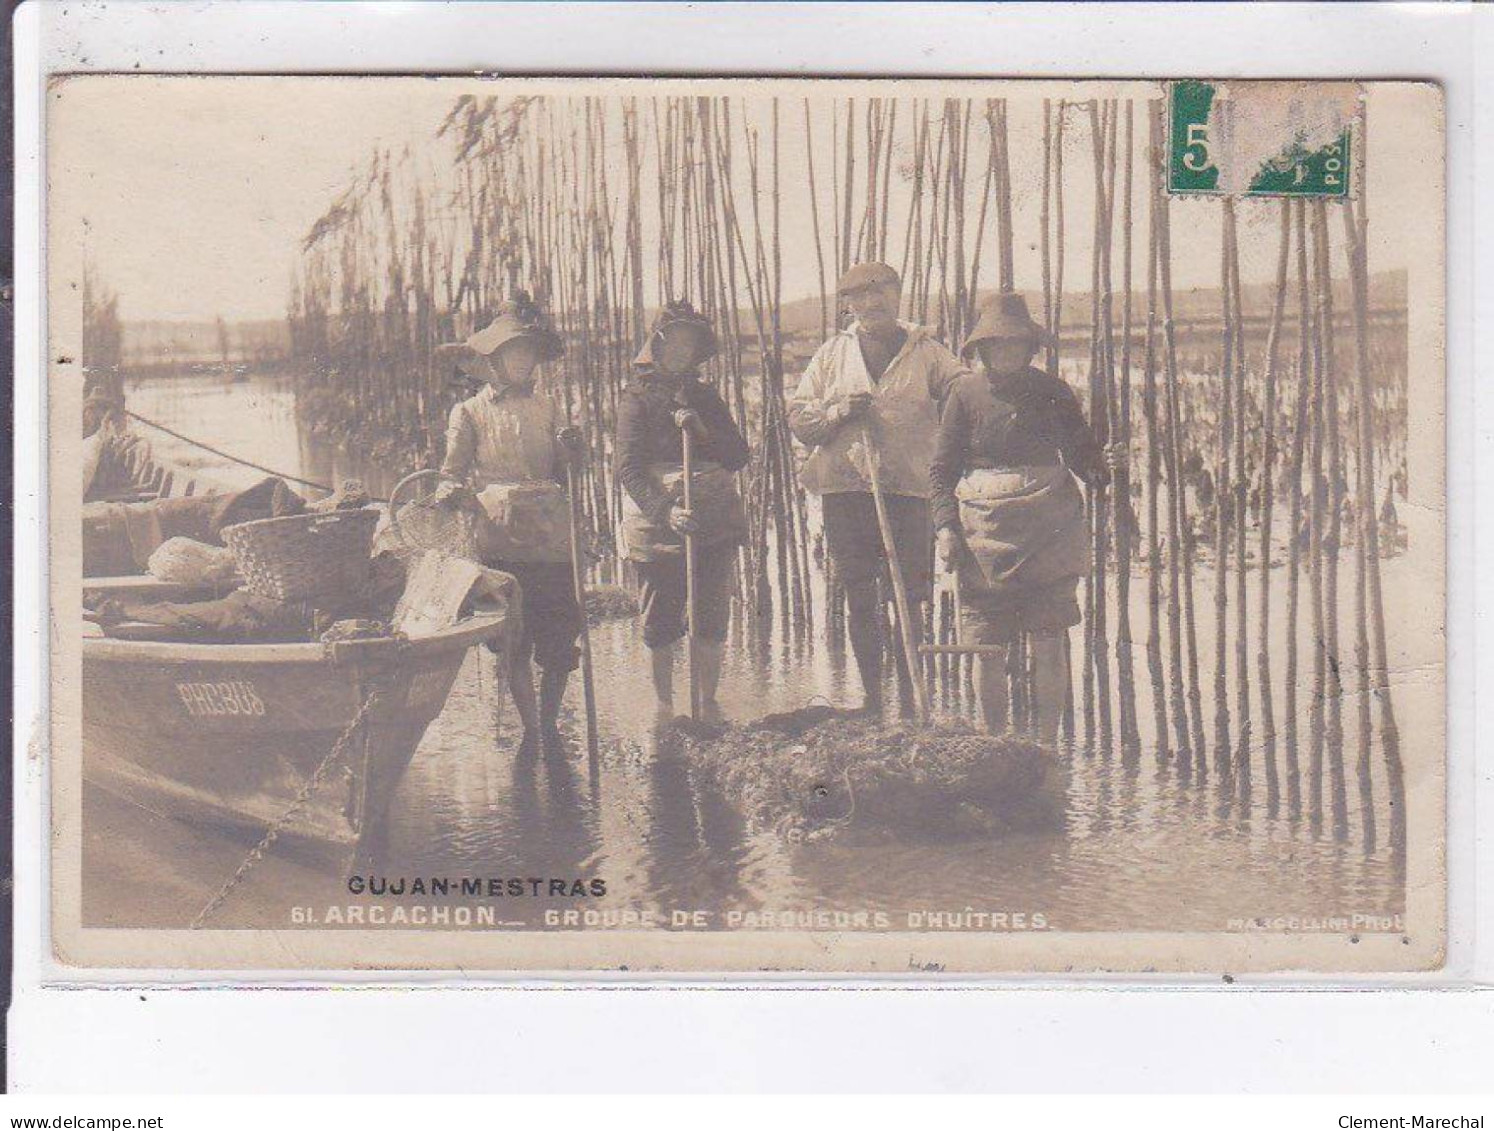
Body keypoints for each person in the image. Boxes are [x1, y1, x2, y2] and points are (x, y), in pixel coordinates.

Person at [929, 292, 1119, 744]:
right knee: (986, 646)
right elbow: (941, 469)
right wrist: (945, 528)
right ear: (982, 349)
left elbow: (1082, 458)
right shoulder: (963, 393)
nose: (1006, 351)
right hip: (982, 533)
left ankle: (1047, 745)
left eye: (1016, 343)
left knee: (1049, 641)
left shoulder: (1052, 391)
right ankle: (995, 743)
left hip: (1048, 530)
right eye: (996, 344)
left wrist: (1104, 466)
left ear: (1030, 346)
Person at [787, 262, 966, 715]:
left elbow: (966, 395)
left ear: (898, 295)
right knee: (860, 594)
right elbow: (800, 421)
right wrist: (839, 412)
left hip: (910, 488)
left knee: (910, 595)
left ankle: (909, 701)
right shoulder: (832, 354)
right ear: (847, 305)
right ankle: (872, 699)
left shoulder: (927, 351)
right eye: (860, 296)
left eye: (882, 292)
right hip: (846, 489)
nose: (872, 303)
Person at [436, 295, 584, 757]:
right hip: (499, 537)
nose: (522, 361)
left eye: (528, 353)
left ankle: (548, 719)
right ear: (493, 359)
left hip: (551, 535)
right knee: (513, 638)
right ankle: (530, 727)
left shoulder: (551, 409)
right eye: (512, 353)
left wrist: (574, 451)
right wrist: (449, 492)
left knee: (559, 633)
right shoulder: (470, 412)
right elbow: (451, 471)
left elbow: (569, 471)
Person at [616, 301, 750, 724]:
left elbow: (738, 456)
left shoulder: (706, 396)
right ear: (656, 346)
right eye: (672, 342)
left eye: (688, 344)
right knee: (660, 618)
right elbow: (628, 468)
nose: (680, 351)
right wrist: (666, 511)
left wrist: (701, 428)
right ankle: (664, 709)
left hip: (713, 518)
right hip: (659, 525)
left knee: (710, 614)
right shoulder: (636, 401)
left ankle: (708, 705)